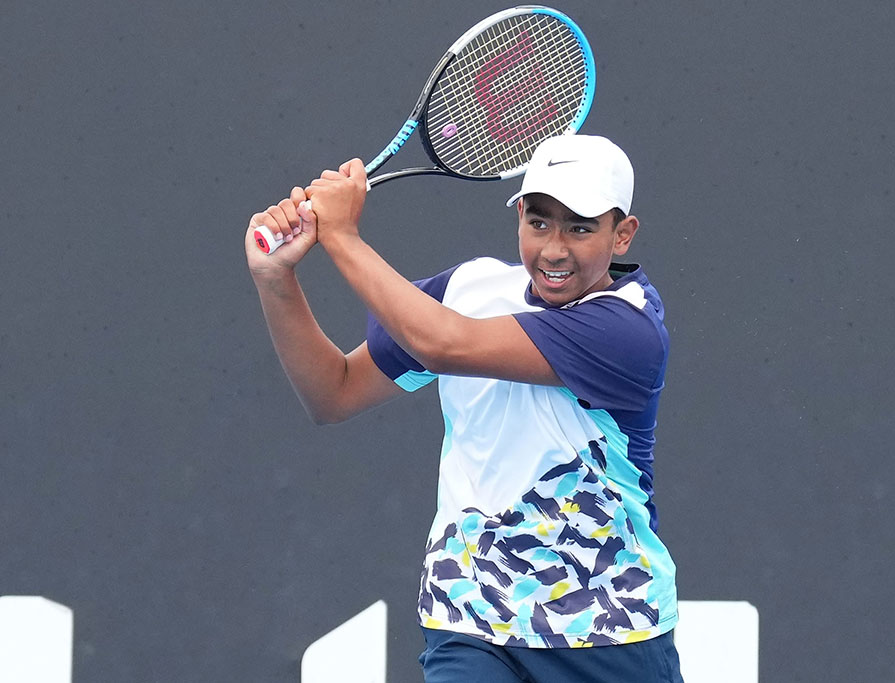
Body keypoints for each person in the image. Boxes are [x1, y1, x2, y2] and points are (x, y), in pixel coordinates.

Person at [245, 134, 684, 683]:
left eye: (580, 227)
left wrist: (341, 237)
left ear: (623, 234)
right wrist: (276, 280)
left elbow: (444, 344)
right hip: (470, 621)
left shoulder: (628, 328)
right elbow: (333, 391)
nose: (553, 248)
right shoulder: (468, 290)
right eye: (540, 221)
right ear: (519, 214)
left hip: (609, 631)